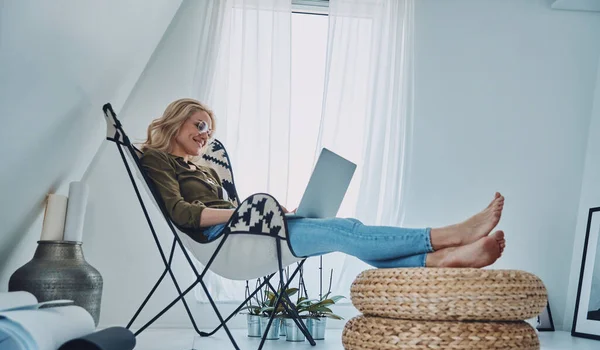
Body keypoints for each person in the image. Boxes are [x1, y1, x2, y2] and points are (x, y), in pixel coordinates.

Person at [140, 98, 506, 269]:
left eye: (209, 129)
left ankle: (442, 259)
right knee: (346, 230)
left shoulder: (202, 169)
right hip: (226, 240)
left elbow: (223, 209)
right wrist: (244, 212)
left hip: (248, 228)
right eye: (200, 125)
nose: (206, 136)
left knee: (342, 234)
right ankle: (449, 236)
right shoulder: (157, 158)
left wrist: (269, 213)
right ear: (177, 120)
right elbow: (182, 213)